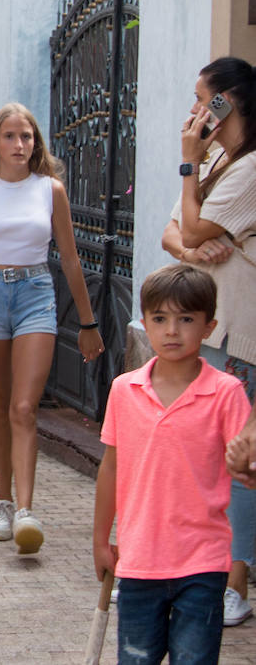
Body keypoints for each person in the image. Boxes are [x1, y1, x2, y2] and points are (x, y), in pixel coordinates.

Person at [0, 102, 100, 553]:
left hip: (35, 294)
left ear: (37, 142)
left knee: (24, 407)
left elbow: (70, 259)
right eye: (10, 136)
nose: (20, 144)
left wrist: (88, 322)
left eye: (27, 136)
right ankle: (4, 502)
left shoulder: (50, 189)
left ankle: (27, 511)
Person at [94, 264, 248, 662]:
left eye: (186, 319)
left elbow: (244, 461)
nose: (172, 331)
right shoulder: (124, 391)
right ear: (144, 322)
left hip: (203, 561)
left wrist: (248, 468)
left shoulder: (226, 393)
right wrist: (100, 540)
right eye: (160, 319)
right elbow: (110, 467)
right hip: (139, 559)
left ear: (209, 326)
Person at [163, 56, 256, 624]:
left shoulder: (247, 165)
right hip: (206, 319)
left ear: (228, 102)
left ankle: (236, 580)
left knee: (238, 454)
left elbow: (191, 223)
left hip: (241, 329)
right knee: (202, 452)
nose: (196, 109)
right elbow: (174, 229)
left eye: (205, 98)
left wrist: (188, 162)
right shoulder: (218, 158)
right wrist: (191, 249)